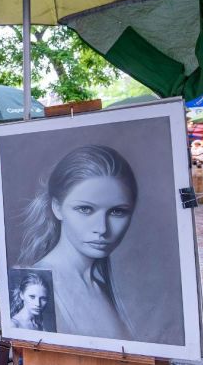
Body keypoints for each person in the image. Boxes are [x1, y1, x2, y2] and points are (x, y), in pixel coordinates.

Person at [20, 145, 136, 340]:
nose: (102, 228)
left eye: (117, 212)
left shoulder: (101, 284)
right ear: (57, 207)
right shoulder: (41, 289)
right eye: (85, 209)